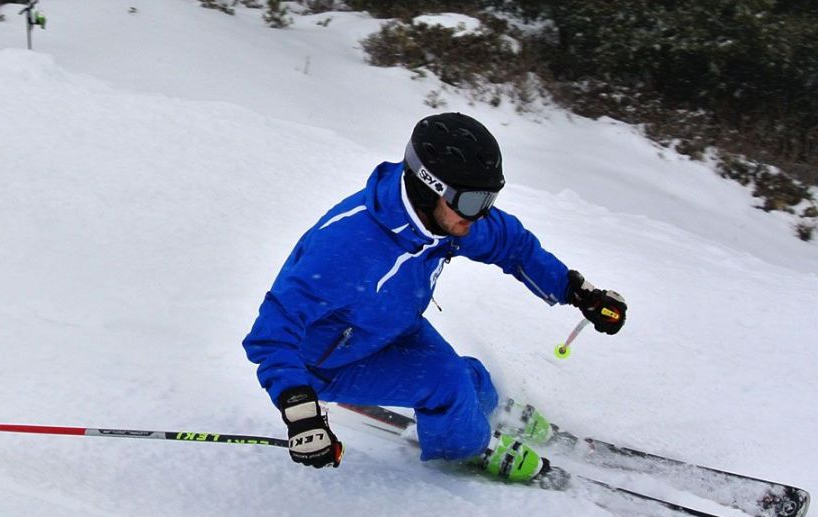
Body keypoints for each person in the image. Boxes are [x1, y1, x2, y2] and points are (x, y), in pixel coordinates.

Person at [243, 112, 626, 486]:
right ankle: (468, 447)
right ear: (430, 189)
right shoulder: (347, 247)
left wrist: (578, 291)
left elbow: (512, 245)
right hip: (328, 361)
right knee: (446, 382)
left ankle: (487, 410)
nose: (481, 214)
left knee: (470, 376)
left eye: (489, 199)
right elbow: (271, 333)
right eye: (474, 201)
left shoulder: (448, 218)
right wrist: (301, 412)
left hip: (391, 324)